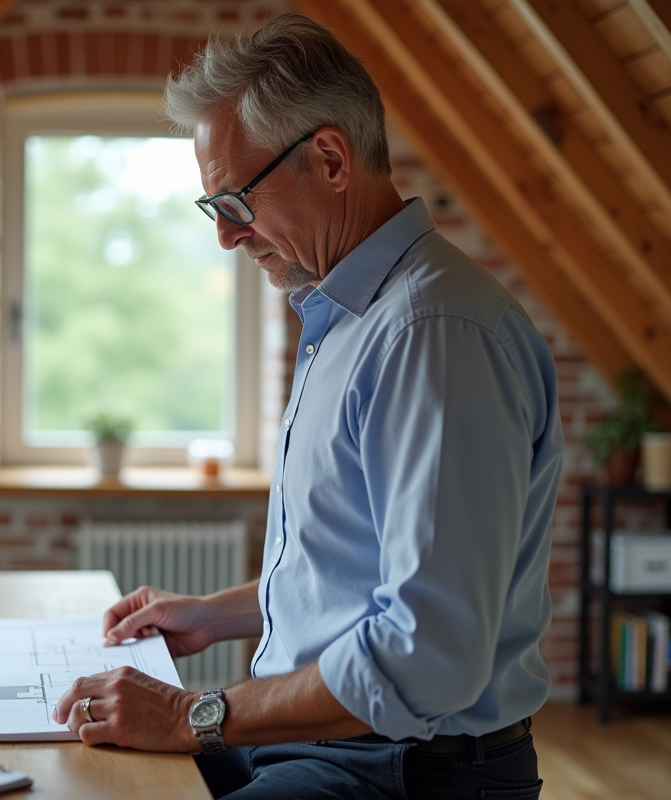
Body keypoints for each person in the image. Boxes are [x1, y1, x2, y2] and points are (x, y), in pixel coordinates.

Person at [53, 14, 562, 800]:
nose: (226, 235)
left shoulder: (433, 336)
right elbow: (358, 570)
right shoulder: (352, 316)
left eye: (235, 199)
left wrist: (195, 714)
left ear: (329, 159)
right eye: (212, 206)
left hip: (404, 771)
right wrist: (218, 615)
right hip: (323, 745)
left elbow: (426, 650)